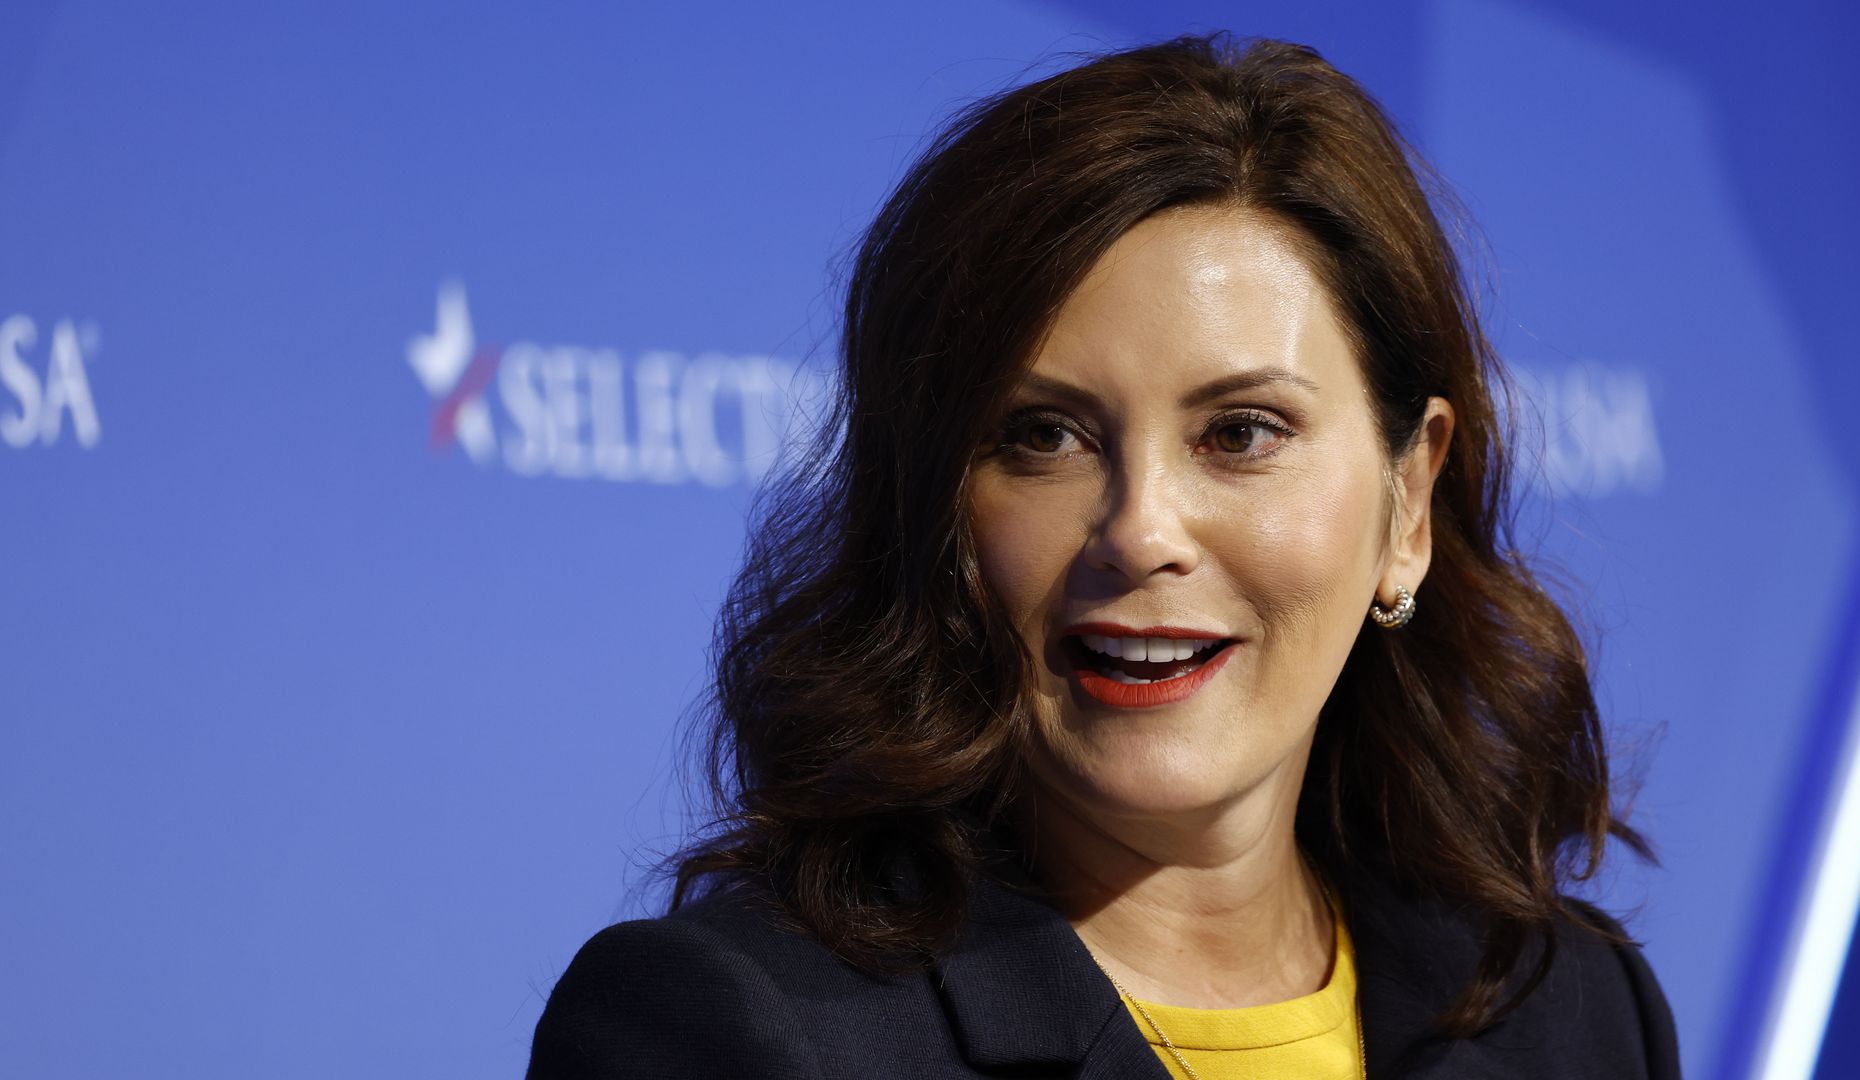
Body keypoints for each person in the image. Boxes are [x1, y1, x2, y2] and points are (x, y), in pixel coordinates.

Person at [526, 32, 1680, 1080]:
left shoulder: (1575, 1013)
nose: (1140, 530)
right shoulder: (733, 1032)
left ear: (1409, 501)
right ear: (934, 504)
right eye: (1045, 437)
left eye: (1241, 434)